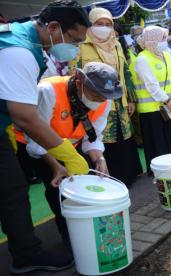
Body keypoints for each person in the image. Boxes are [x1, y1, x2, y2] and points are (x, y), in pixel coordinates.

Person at [0, 0, 90, 273]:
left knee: (10, 188)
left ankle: (26, 252)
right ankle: (27, 255)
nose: (74, 48)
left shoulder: (18, 37)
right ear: (52, 27)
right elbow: (25, 116)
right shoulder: (20, 52)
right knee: (12, 191)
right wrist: (69, 157)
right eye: (74, 40)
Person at [16, 62, 121, 247]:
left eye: (103, 97)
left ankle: (87, 234)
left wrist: (99, 159)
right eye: (95, 94)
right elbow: (35, 137)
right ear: (79, 82)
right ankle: (71, 241)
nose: (99, 100)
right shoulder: (48, 91)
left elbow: (93, 135)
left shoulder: (105, 99)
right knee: (58, 192)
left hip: (70, 148)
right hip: (36, 147)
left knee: (83, 190)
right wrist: (56, 166)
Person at [70, 7, 142, 186]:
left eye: (107, 24)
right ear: (90, 25)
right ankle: (109, 178)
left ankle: (128, 176)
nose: (104, 28)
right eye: (99, 24)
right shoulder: (81, 46)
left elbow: (125, 72)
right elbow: (74, 75)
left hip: (119, 100)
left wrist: (130, 98)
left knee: (123, 137)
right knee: (100, 137)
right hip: (95, 101)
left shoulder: (116, 44)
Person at [132, 26, 171, 175]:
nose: (165, 42)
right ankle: (159, 173)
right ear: (152, 40)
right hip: (151, 111)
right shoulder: (142, 59)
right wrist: (167, 100)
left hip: (169, 107)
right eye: (162, 38)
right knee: (157, 144)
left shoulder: (166, 55)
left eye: (165, 38)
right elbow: (151, 85)